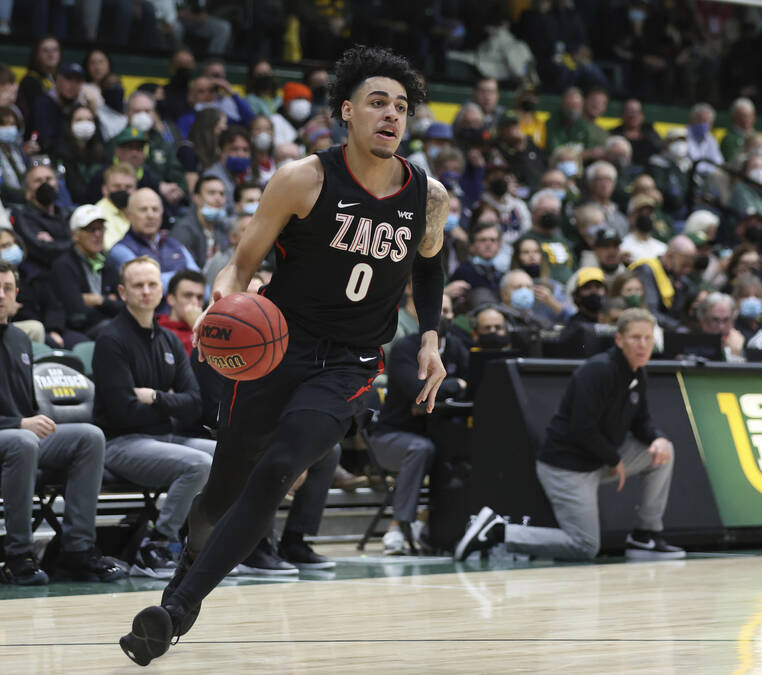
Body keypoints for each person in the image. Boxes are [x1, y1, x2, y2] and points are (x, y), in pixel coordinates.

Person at [120, 45, 449, 665]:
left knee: (278, 472)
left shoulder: (426, 195)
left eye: (401, 107)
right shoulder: (304, 179)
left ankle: (176, 611)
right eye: (378, 102)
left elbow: (429, 265)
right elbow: (237, 269)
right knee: (221, 495)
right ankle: (188, 568)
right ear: (346, 112)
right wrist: (220, 309)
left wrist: (430, 337)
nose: (391, 115)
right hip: (277, 349)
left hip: (351, 362)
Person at [0, 257, 123, 585]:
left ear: (16, 294)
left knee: (89, 436)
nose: (0, 295)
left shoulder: (21, 340)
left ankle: (76, 551)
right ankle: (18, 555)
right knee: (22, 441)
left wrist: (26, 423)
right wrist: (18, 424)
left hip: (15, 437)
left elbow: (27, 409)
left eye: (7, 288)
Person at [457, 308, 683, 563]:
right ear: (619, 340)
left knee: (663, 452)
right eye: (635, 338)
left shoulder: (636, 372)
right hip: (567, 467)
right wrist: (614, 459)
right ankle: (499, 531)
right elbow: (581, 428)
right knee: (585, 546)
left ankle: (646, 534)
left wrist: (657, 438)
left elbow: (641, 420)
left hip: (599, 460)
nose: (642, 345)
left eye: (647, 338)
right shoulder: (598, 371)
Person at [91, 256, 215, 578]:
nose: (146, 291)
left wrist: (157, 397)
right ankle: (157, 543)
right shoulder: (111, 340)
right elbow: (124, 412)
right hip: (121, 443)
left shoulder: (170, 340)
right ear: (122, 291)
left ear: (161, 290)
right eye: (138, 285)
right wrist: (172, 403)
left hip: (164, 437)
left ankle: (206, 542)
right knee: (198, 464)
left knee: (227, 455)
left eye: (152, 284)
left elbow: (195, 404)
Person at [370, 321, 469, 554]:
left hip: (434, 435)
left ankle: (435, 526)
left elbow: (472, 385)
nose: (443, 316)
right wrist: (455, 384)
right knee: (421, 449)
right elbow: (418, 393)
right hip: (390, 436)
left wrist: (439, 391)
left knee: (456, 448)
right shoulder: (406, 348)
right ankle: (398, 526)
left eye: (448, 310)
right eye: (440, 310)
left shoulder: (457, 347)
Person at [51, 204, 122, 343]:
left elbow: (123, 307)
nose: (98, 234)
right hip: (76, 331)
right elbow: (76, 314)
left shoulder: (108, 264)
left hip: (106, 325)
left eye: (101, 228)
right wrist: (109, 302)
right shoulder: (63, 265)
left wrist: (99, 300)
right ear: (75, 235)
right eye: (91, 229)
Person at [109, 187, 198, 287]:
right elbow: (148, 286)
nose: (150, 215)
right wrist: (185, 280)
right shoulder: (120, 250)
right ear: (129, 215)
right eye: (143, 210)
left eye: (155, 209)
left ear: (162, 214)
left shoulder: (175, 244)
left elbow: (199, 281)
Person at [11, 163, 73, 273]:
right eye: (38, 181)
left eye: (49, 179)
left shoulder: (67, 214)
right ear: (28, 192)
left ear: (57, 186)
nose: (45, 183)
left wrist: (54, 243)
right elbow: (43, 250)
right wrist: (75, 243)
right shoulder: (23, 217)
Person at [170, 175, 231, 267]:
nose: (218, 198)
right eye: (211, 193)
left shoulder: (223, 227)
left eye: (221, 194)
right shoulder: (183, 230)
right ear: (197, 198)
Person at [157, 269, 206, 350]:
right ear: (171, 299)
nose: (195, 302)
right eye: (188, 296)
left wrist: (198, 328)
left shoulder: (209, 331)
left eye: (199, 297)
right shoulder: (158, 330)